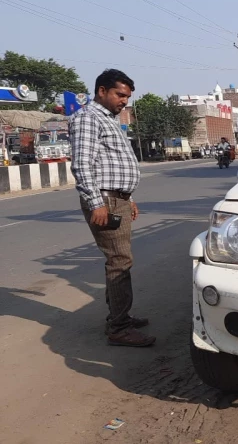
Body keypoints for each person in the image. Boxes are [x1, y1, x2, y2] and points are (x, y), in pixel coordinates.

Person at [69, 68, 155, 348]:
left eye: (127, 97)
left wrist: (127, 198)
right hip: (105, 201)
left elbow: (111, 164)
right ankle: (118, 327)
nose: (124, 102)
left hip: (116, 198)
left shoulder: (107, 119)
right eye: (120, 95)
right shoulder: (87, 118)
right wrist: (97, 203)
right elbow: (82, 164)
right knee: (119, 261)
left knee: (119, 260)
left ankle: (121, 317)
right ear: (102, 91)